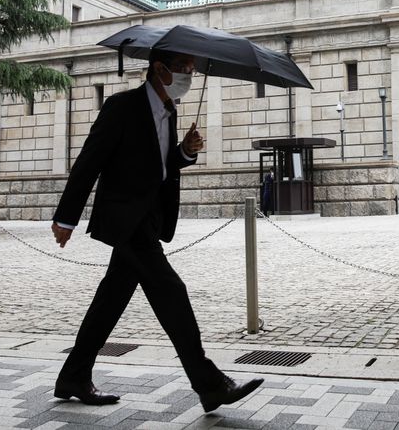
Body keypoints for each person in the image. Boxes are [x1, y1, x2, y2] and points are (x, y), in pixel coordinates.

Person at [50, 50, 262, 411]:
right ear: (159, 69)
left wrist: (185, 151)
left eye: (193, 70)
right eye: (184, 69)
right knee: (172, 293)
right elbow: (89, 161)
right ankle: (209, 383)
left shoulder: (170, 110)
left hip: (149, 218)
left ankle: (74, 375)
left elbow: (162, 165)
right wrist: (66, 218)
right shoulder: (122, 106)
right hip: (124, 219)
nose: (189, 76)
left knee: (111, 300)